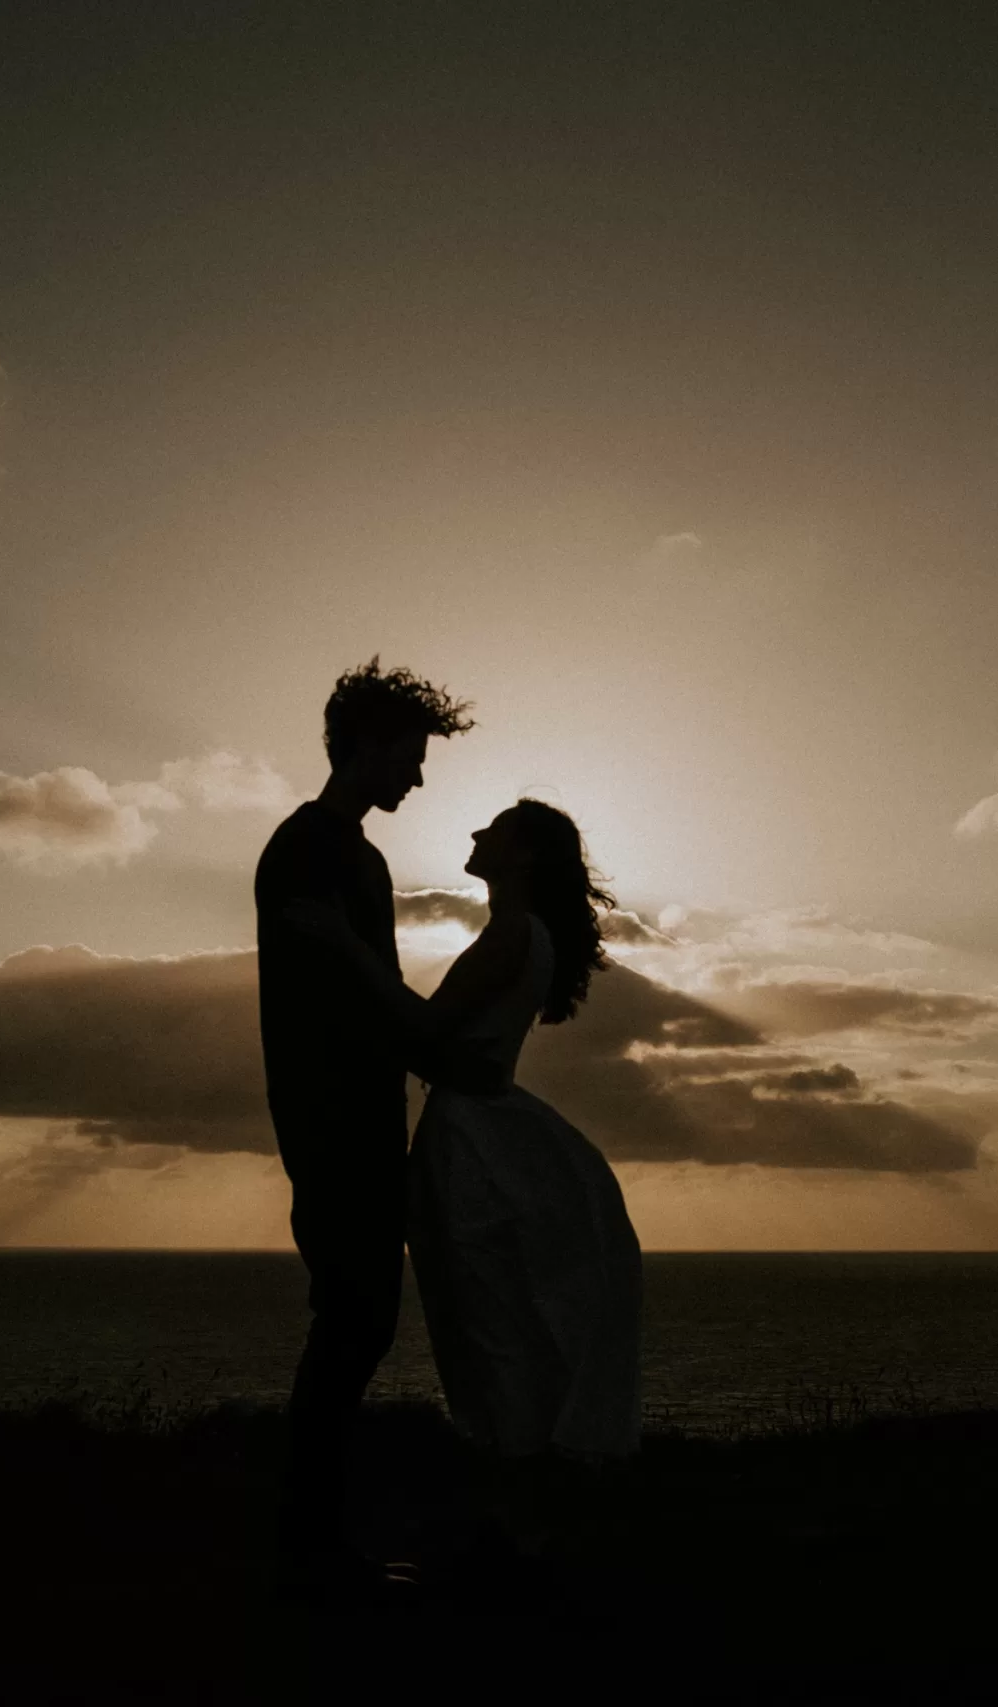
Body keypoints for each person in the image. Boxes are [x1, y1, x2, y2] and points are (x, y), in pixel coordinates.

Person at [286, 798, 643, 1561]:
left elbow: (422, 1032)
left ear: (522, 856)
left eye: (495, 829)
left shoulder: (513, 933)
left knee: (486, 1322)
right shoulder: (533, 936)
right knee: (498, 1317)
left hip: (470, 1141)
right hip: (481, 1124)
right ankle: (522, 1526)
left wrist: (345, 949)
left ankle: (516, 1534)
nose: (477, 834)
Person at [253, 658, 480, 1594]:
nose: (418, 777)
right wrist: (433, 1040)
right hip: (332, 1120)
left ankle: (311, 1540)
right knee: (355, 1319)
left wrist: (424, 1050)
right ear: (369, 746)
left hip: (363, 1115)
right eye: (411, 756)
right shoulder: (306, 849)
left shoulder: (362, 858)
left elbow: (374, 991)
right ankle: (308, 1551)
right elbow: (349, 985)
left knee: (360, 1320)